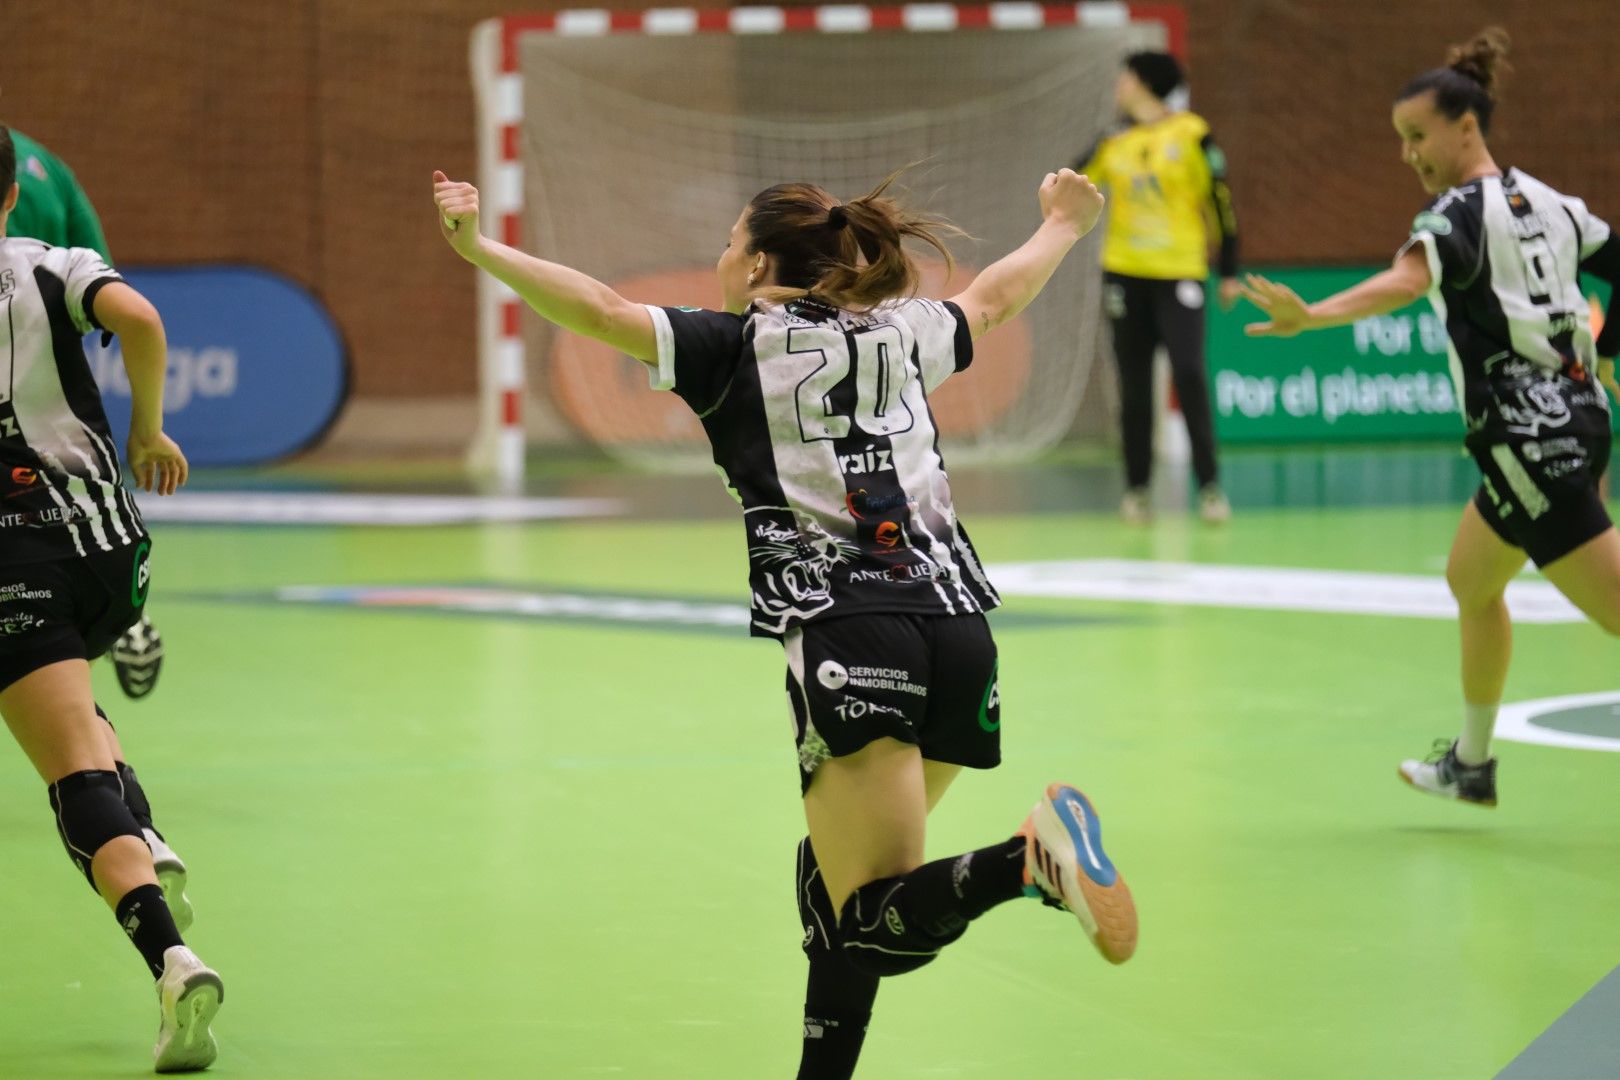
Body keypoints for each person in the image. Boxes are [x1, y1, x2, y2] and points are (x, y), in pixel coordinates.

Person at [433, 165, 1139, 1077]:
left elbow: (602, 311)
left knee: (874, 922)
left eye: (730, 243)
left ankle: (1025, 862)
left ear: (760, 261)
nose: (722, 258)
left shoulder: (734, 347)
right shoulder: (903, 330)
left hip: (848, 626)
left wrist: (480, 247)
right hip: (962, 627)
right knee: (829, 881)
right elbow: (994, 300)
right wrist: (1063, 226)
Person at [1240, 28, 1620, 808]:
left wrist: (1310, 317)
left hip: (1528, 440)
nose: (1410, 154)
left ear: (1466, 127)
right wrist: (1608, 349)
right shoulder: (1554, 201)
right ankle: (1472, 765)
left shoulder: (1454, 214)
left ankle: (1473, 764)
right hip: (1576, 418)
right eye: (1402, 140)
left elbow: (1404, 281)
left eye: (1418, 137)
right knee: (1470, 580)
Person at [0, 126, 222, 1072]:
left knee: (66, 777)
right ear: (12, 197)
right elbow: (141, 321)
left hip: (9, 553)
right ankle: (147, 827)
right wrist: (148, 429)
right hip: (108, 545)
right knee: (65, 686)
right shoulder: (53, 261)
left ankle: (169, 957)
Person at [6, 125, 166, 701]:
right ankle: (118, 620)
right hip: (48, 379)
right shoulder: (44, 159)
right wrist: (147, 429)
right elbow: (104, 280)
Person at [1073, 51, 1240, 524]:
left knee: (1188, 371)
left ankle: (1209, 488)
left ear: (1144, 82)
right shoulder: (1116, 138)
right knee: (1135, 381)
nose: (1118, 86)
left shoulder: (1192, 133)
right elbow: (1074, 182)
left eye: (1124, 77)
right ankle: (1138, 491)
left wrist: (1228, 270)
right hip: (1125, 273)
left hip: (1179, 272)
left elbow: (1222, 202)